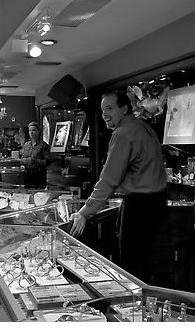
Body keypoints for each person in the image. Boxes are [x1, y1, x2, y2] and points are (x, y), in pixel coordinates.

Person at [69, 91, 167, 283]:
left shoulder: (123, 133)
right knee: (146, 264)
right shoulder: (142, 126)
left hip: (139, 207)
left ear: (124, 109)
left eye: (110, 108)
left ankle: (135, 310)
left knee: (133, 267)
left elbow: (108, 179)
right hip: (158, 203)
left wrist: (84, 212)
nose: (104, 114)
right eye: (102, 109)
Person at [20, 121, 50, 188]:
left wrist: (33, 161)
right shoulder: (26, 145)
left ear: (38, 132)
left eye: (33, 130)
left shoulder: (44, 145)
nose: (31, 132)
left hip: (39, 175)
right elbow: (21, 159)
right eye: (30, 130)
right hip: (27, 175)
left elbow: (47, 162)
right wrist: (23, 161)